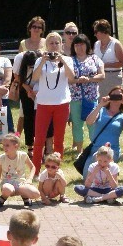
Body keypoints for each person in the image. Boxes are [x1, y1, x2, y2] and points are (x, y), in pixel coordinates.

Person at [29, 32, 77, 170]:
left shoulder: (67, 60)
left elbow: (72, 77)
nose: (54, 46)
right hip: (43, 104)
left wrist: (62, 60)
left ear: (61, 45)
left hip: (62, 103)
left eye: (57, 43)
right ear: (46, 45)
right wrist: (43, 61)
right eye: (51, 43)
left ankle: (56, 169)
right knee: (39, 139)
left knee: (59, 139)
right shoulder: (40, 60)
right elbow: (35, 77)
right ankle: (36, 170)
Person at [81, 86, 123, 176]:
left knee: (97, 166)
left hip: (112, 151)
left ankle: (107, 174)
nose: (116, 98)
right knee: (87, 176)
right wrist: (100, 104)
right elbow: (89, 121)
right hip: (96, 149)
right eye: (113, 95)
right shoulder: (101, 110)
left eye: (119, 96)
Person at [68, 35, 103, 153]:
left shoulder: (94, 58)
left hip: (91, 97)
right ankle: (79, 150)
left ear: (87, 45)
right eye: (76, 45)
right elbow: (67, 79)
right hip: (75, 97)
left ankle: (95, 148)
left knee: (93, 124)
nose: (79, 47)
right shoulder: (69, 60)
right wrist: (78, 80)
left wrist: (89, 79)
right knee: (77, 124)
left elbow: (102, 75)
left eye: (82, 44)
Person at [0, 133, 38, 208]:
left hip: (20, 183)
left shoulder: (23, 155)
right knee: (7, 189)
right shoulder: (1, 158)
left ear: (16, 146)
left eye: (7, 145)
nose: (4, 148)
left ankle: (24, 195)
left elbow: (33, 167)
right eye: (3, 145)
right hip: (7, 183)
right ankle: (3, 197)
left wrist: (30, 179)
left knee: (36, 194)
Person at [93, 19, 123, 99]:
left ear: (104, 32)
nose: (94, 34)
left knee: (114, 101)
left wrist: (105, 65)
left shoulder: (116, 44)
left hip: (114, 77)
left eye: (96, 32)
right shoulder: (96, 44)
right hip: (100, 78)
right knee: (101, 102)